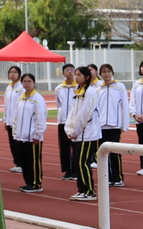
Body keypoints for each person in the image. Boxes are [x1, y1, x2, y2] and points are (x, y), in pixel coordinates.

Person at [65, 64, 104, 201]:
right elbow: (73, 113)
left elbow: (85, 114)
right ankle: (81, 189)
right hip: (78, 134)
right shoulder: (79, 91)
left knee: (83, 162)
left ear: (87, 77)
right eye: (75, 74)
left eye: (79, 75)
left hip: (87, 135)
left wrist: (75, 131)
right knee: (77, 163)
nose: (76, 77)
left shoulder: (91, 92)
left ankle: (89, 191)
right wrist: (69, 129)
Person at [98, 64, 129, 188]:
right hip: (101, 126)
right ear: (100, 74)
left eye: (108, 71)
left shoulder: (119, 87)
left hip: (114, 126)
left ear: (112, 73)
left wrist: (124, 125)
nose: (106, 74)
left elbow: (124, 105)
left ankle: (118, 177)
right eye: (104, 72)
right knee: (103, 154)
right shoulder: (98, 89)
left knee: (114, 153)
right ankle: (107, 178)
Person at [15, 73, 48, 192]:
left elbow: (41, 118)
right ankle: (28, 182)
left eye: (29, 81)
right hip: (21, 136)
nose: (27, 83)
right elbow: (17, 117)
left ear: (34, 83)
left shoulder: (38, 99)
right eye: (24, 81)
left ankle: (36, 183)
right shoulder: (21, 98)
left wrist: (38, 134)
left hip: (32, 137)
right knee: (24, 162)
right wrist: (16, 133)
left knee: (33, 161)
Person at [55, 64, 77, 180]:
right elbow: (59, 104)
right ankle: (67, 170)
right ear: (63, 73)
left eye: (72, 70)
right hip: (63, 121)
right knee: (64, 147)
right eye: (67, 70)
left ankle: (76, 170)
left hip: (75, 121)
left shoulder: (78, 87)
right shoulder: (59, 88)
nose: (70, 72)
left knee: (76, 146)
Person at [3, 65, 25, 171]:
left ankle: (22, 164)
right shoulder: (8, 88)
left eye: (15, 72)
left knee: (18, 143)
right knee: (12, 143)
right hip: (9, 121)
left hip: (18, 121)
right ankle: (17, 163)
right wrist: (5, 119)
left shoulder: (21, 88)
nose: (12, 74)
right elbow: (6, 105)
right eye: (11, 72)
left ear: (19, 74)